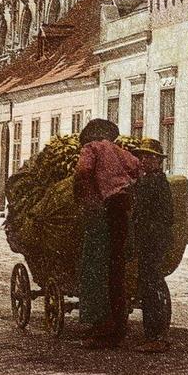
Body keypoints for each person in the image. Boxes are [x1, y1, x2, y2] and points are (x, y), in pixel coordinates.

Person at [72, 118, 141, 349]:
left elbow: (82, 172)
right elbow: (136, 167)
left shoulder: (91, 149)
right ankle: (118, 324)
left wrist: (85, 196)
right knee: (117, 268)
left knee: (95, 265)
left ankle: (101, 326)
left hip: (105, 210)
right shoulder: (119, 150)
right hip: (123, 207)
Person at [129, 137, 173, 353]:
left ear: (158, 161)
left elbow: (152, 214)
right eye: (142, 156)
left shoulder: (153, 183)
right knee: (151, 285)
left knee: (150, 286)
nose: (144, 160)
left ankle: (155, 337)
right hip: (153, 239)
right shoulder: (152, 181)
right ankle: (156, 335)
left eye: (149, 157)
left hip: (152, 240)